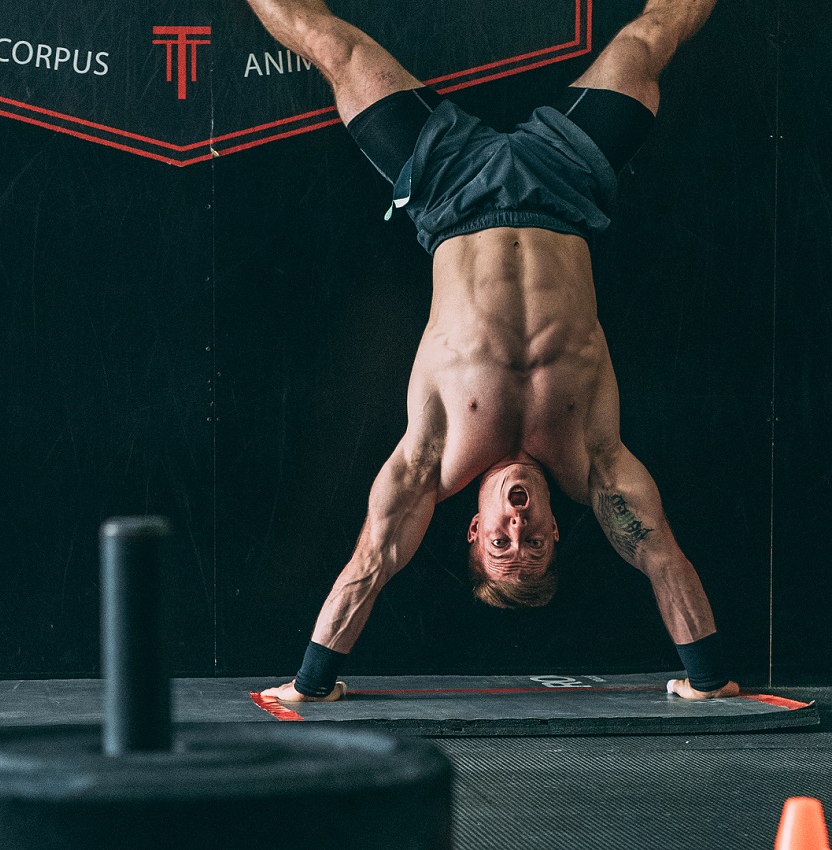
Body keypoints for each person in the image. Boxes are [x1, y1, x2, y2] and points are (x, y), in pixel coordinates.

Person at [245, 0, 740, 702]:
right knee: (652, 35)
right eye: (532, 545)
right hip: (566, 185)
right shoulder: (592, 463)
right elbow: (662, 556)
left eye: (501, 545)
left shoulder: (432, 461)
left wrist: (310, 684)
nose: (518, 529)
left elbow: (373, 558)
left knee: (335, 48)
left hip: (448, 191)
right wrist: (708, 680)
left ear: (473, 531)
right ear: (557, 536)